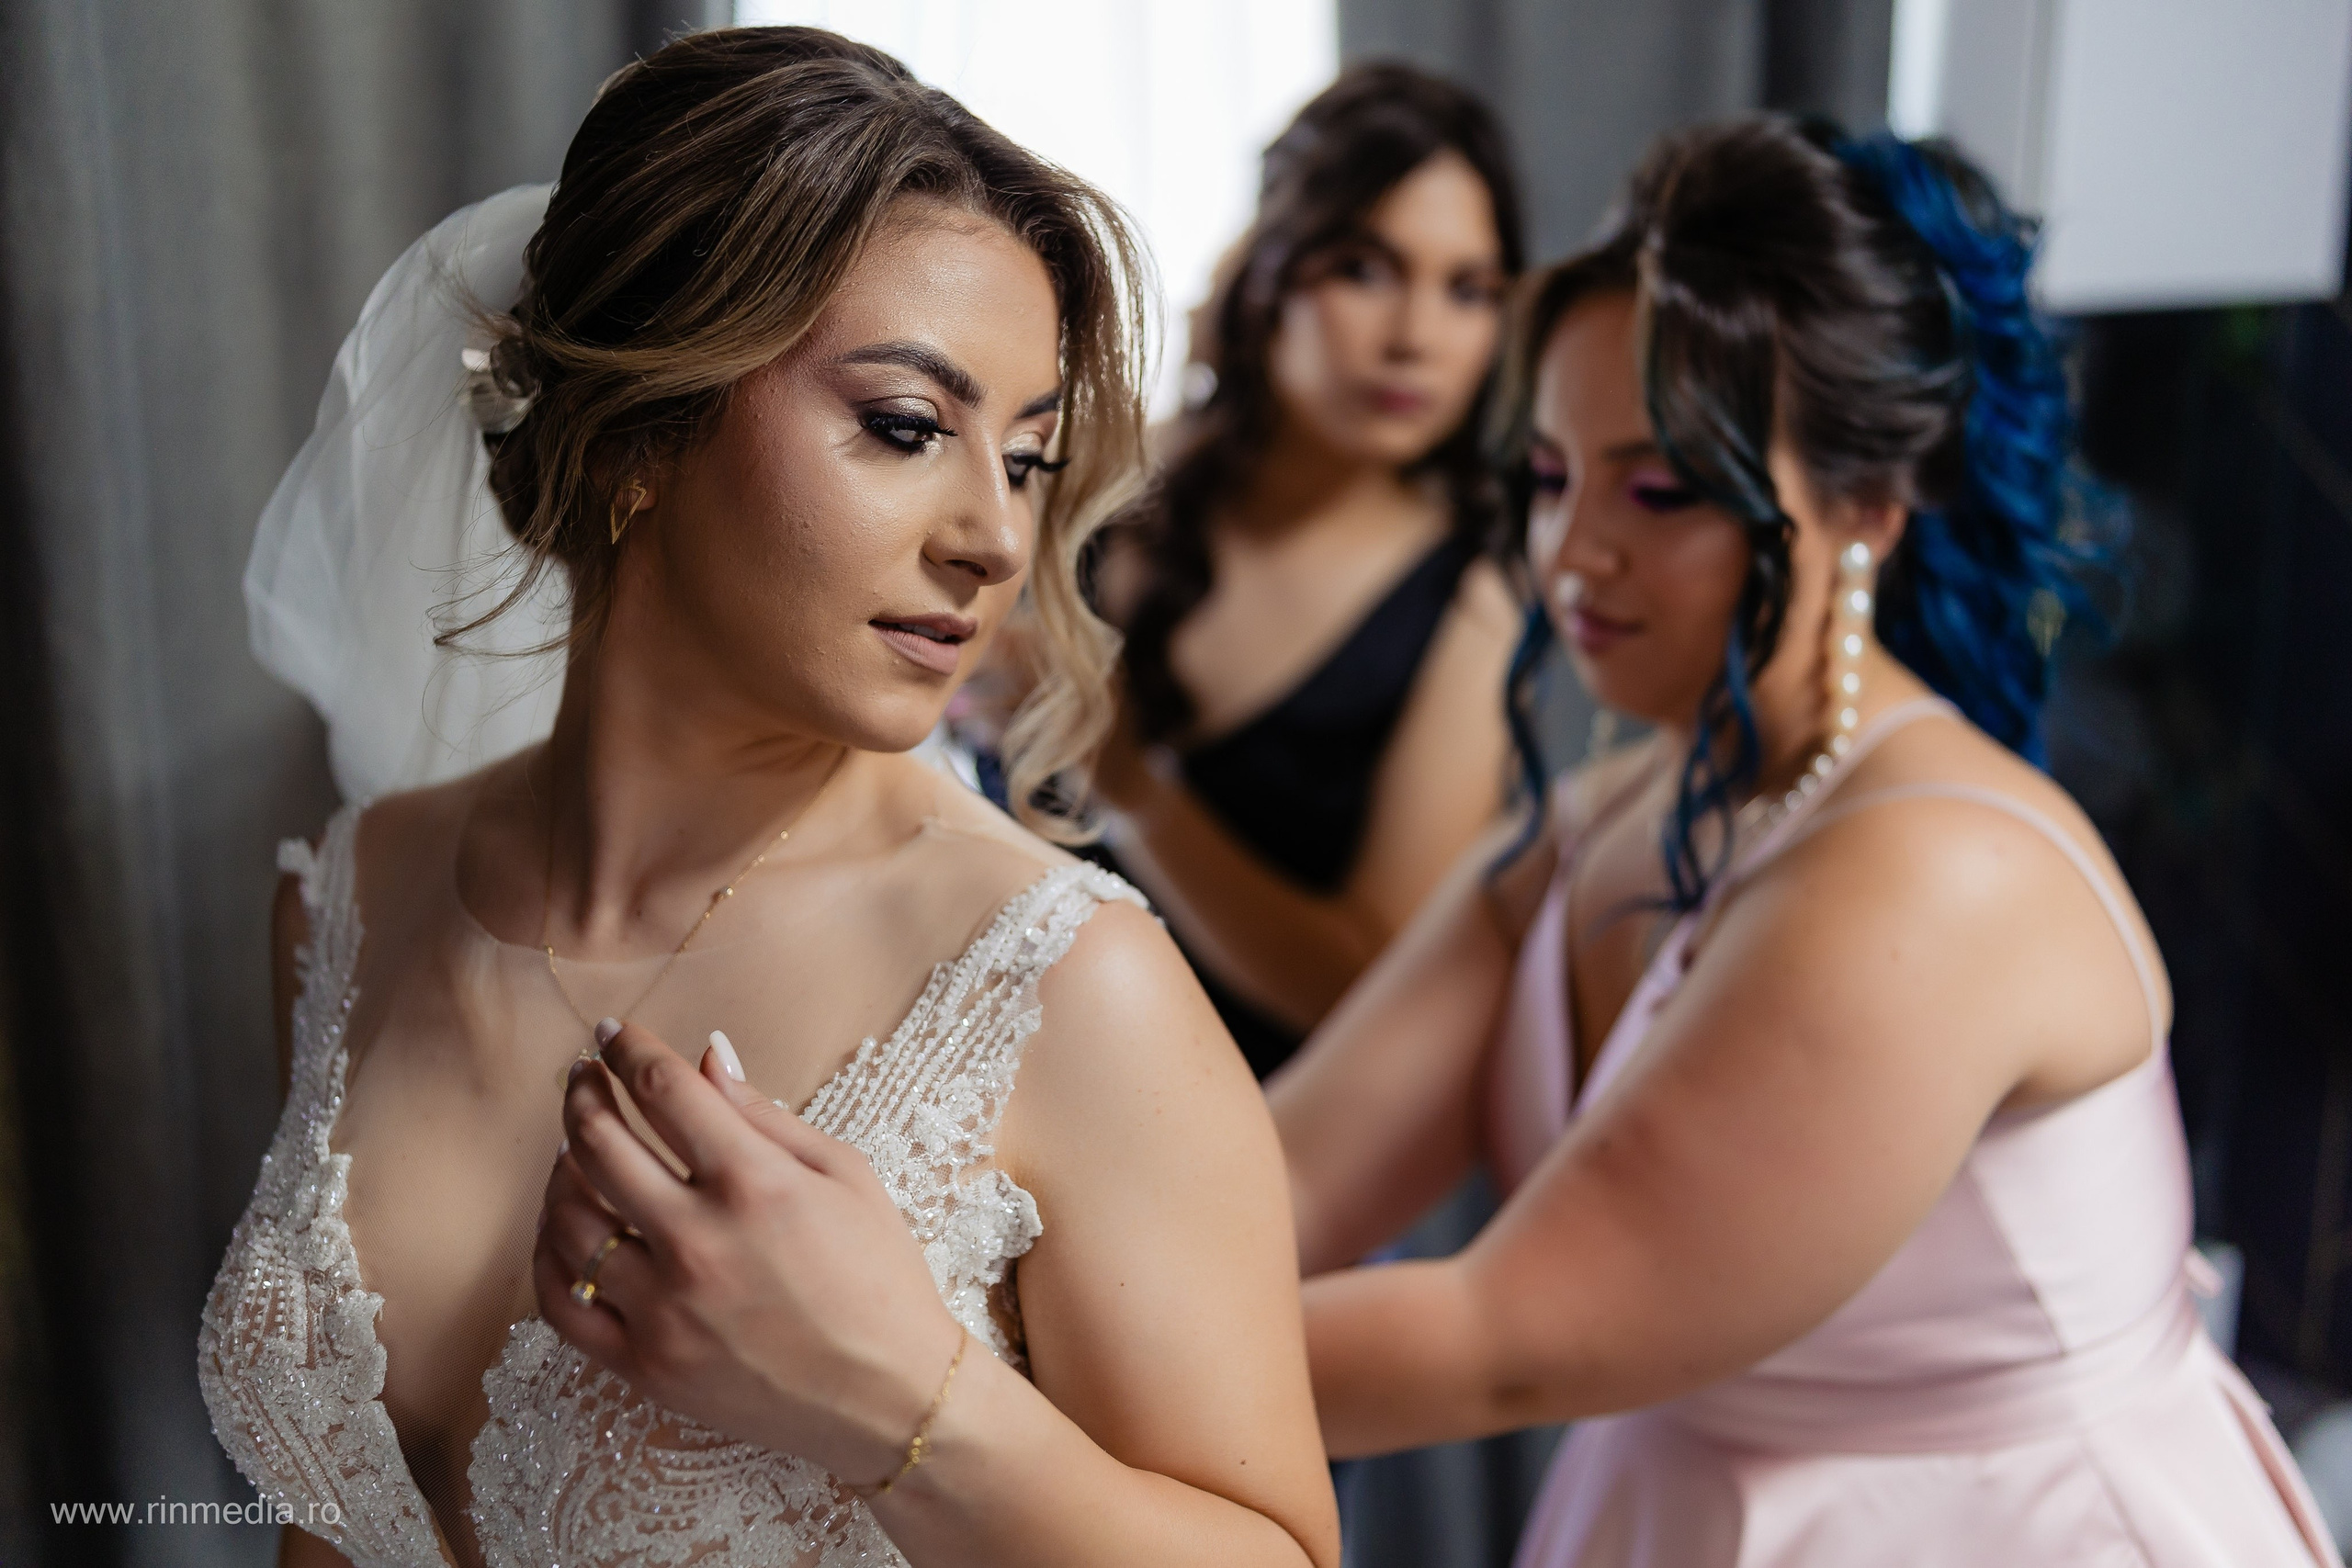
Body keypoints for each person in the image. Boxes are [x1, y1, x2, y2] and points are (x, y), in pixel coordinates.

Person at [199, 28, 1338, 1568]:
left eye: (1028, 455)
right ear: (642, 432)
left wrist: (894, 1397)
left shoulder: (1069, 991)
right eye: (907, 426)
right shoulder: (349, 896)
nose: (996, 538)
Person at [1272, 116, 2341, 1566]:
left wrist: (970, 1378)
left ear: (1867, 506)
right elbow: (1277, 1180)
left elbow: (1499, 1336)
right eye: (1544, 475)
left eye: (1655, 488)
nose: (1571, 552)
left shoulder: (1938, 879)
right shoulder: (1608, 819)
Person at [1084, 62, 1526, 1079]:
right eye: (1365, 270)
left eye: (1468, 290)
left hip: (1258, 1161)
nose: (1415, 338)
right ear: (1270, 268)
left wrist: (1127, 787)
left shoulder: (1474, 601)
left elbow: (1366, 989)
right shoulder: (1086, 485)